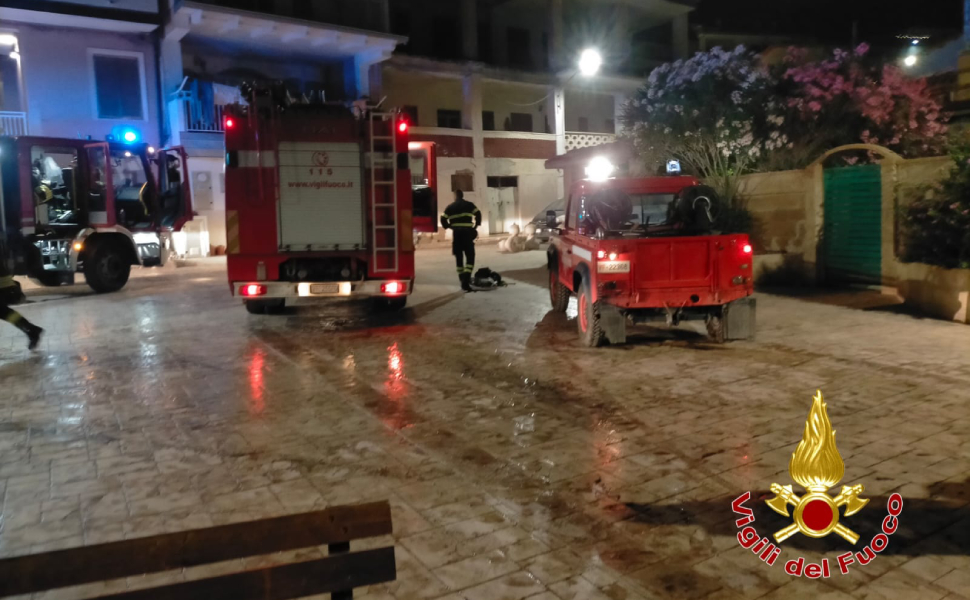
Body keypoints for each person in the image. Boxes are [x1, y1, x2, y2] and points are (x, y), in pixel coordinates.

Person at [0, 246, 43, 350]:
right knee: (4, 312)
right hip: (3, 281)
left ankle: (32, 330)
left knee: (3, 312)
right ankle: (31, 330)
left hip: (2, 283)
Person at [440, 190, 482, 292]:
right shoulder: (469, 205)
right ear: (462, 196)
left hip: (457, 235)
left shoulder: (450, 207)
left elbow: (442, 218)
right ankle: (466, 281)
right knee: (470, 257)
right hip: (467, 234)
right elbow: (478, 213)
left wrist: (449, 226)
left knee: (459, 258)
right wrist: (475, 226)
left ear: (455, 196)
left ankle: (462, 279)